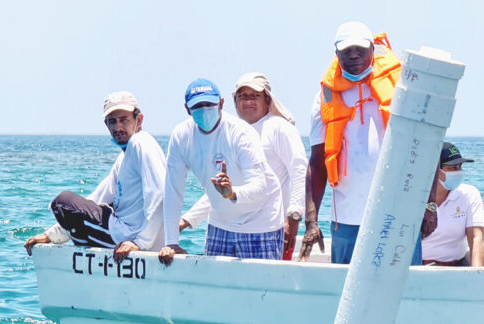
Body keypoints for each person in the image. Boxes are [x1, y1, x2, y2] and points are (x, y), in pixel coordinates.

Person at [303, 21, 405, 264]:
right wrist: (311, 220)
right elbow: (317, 163)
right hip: (346, 220)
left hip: (396, 214)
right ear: (336, 54)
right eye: (347, 51)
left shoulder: (400, 87)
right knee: (344, 289)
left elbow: (425, 147)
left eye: (360, 48)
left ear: (372, 48)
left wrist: (429, 204)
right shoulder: (324, 97)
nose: (354, 55)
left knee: (403, 291)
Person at [24, 91, 167, 263]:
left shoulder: (141, 142)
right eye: (112, 122)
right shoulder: (123, 159)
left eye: (124, 119)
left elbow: (159, 194)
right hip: (129, 238)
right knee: (80, 209)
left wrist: (141, 243)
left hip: (132, 239)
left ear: (139, 119)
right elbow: (97, 199)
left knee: (62, 203)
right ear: (106, 125)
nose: (118, 127)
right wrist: (51, 235)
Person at [180, 73, 307, 261]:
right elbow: (221, 189)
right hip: (225, 228)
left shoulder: (280, 127)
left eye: (254, 96)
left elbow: (300, 170)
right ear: (233, 100)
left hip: (266, 229)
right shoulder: (228, 132)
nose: (248, 101)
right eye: (242, 96)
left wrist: (293, 218)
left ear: (267, 99)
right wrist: (187, 220)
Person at [158, 78, 284, 265]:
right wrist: (171, 242)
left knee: (260, 292)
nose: (204, 110)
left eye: (209, 104)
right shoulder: (181, 135)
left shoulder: (241, 133)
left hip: (260, 223)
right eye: (198, 106)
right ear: (187, 109)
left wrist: (232, 193)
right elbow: (172, 192)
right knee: (212, 292)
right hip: (220, 223)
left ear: (222, 103)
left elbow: (260, 188)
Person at [421, 142, 484, 266]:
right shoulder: (414, 197)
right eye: (452, 168)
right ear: (435, 170)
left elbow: (476, 238)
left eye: (459, 167)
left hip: (455, 268)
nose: (458, 172)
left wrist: (477, 276)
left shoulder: (469, 194)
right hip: (417, 268)